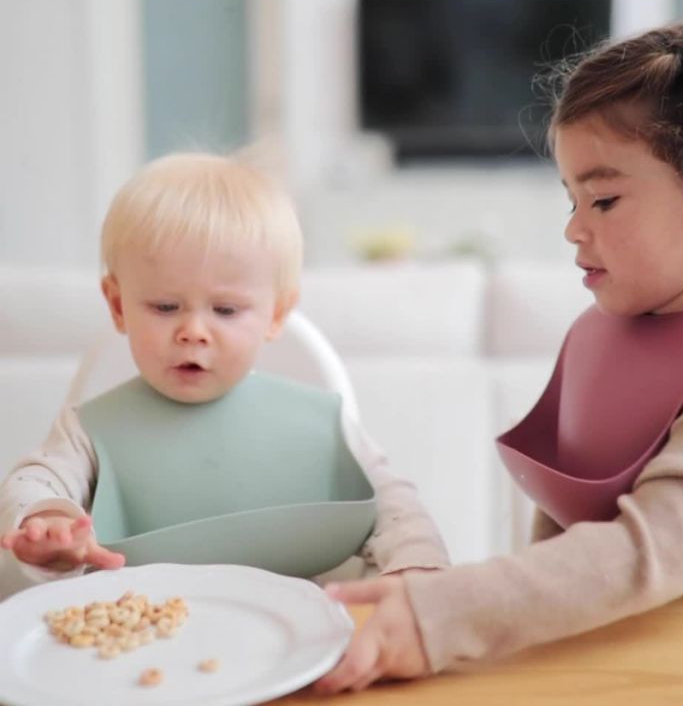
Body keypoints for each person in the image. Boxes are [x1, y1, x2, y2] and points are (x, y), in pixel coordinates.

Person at [314, 18, 683, 693]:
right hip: (629, 653)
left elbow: (647, 550)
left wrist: (443, 614)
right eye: (571, 200)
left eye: (602, 198)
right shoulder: (609, 334)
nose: (573, 228)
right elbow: (573, 525)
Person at [0, 152, 448, 598]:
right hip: (136, 643)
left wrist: (416, 570)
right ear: (118, 306)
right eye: (165, 307)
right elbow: (33, 481)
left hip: (292, 642)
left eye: (226, 310)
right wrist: (49, 524)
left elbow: (395, 506)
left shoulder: (318, 424)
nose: (193, 332)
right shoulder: (87, 431)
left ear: (276, 314)